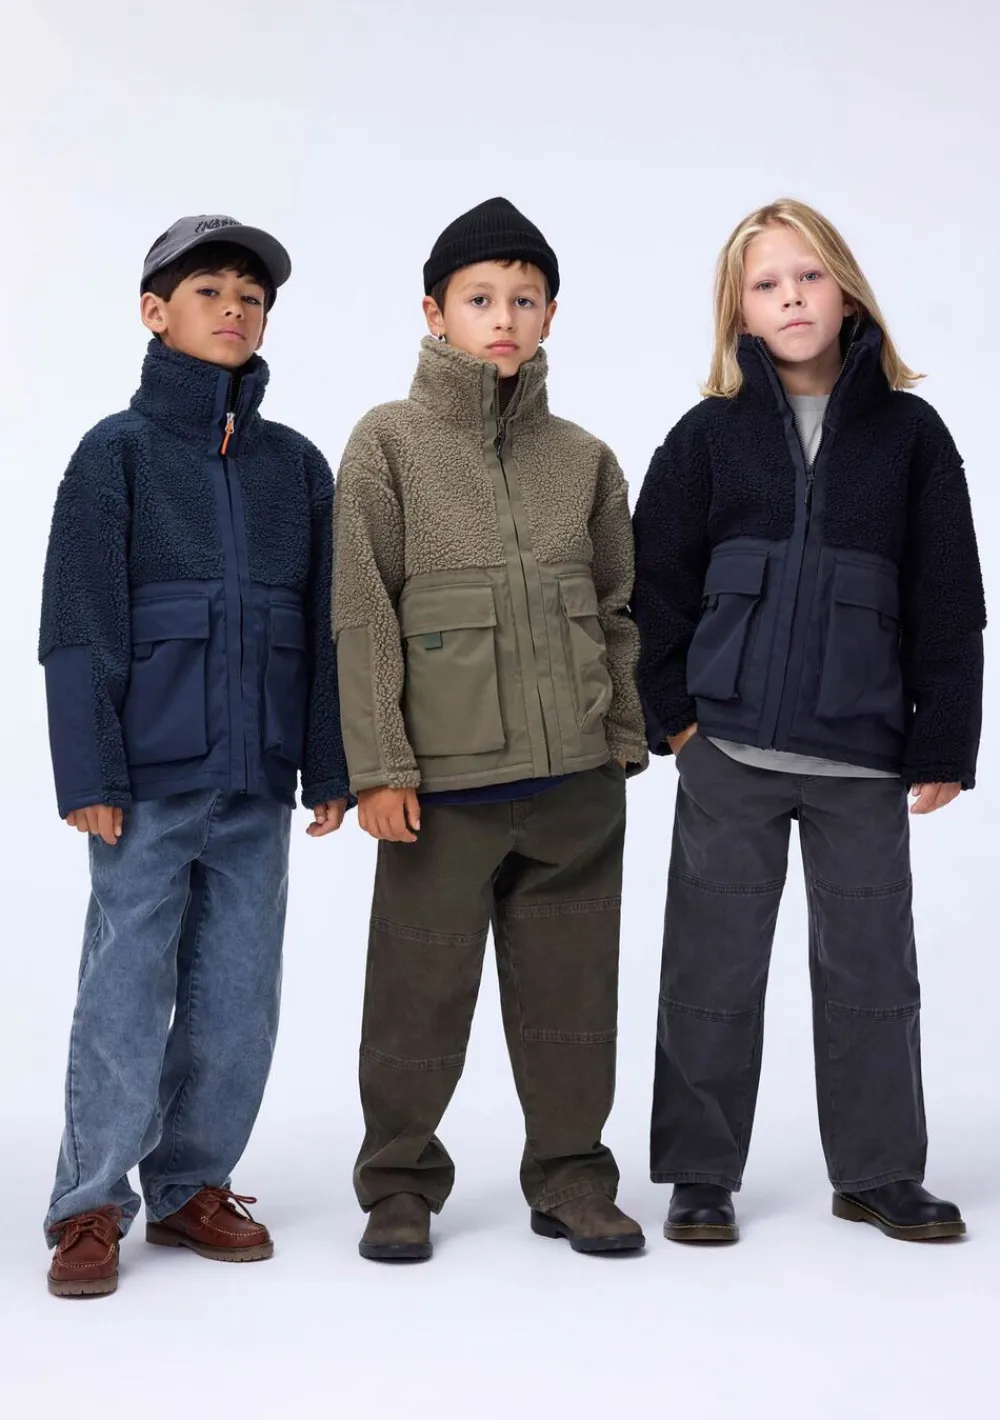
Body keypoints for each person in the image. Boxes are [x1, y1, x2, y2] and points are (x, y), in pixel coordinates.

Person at [632, 198, 985, 1245]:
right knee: (710, 971)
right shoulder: (707, 436)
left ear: (846, 291)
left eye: (809, 276)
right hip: (729, 752)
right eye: (766, 283)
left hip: (863, 759)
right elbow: (652, 586)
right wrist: (675, 724)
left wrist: (943, 739)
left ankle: (879, 1172)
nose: (791, 298)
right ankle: (700, 1174)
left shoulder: (911, 436)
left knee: (872, 974)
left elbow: (948, 596)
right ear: (737, 309)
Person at [333, 197, 648, 1261]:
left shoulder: (585, 458)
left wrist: (622, 737)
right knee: (416, 996)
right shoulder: (388, 443)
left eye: (524, 298)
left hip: (574, 782)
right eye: (479, 299)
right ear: (435, 313)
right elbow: (362, 611)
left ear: (551, 314)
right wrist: (379, 765)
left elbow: (615, 606)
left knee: (573, 993)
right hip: (441, 788)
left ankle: (572, 1176)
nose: (503, 318)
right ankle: (398, 1184)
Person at [39, 215, 348, 1297]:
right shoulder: (115, 454)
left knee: (238, 998)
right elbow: (76, 621)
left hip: (257, 781)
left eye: (251, 297)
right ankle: (89, 1203)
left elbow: (326, 628)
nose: (233, 309)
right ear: (154, 312)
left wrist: (328, 766)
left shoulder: (296, 468)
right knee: (125, 991)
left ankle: (191, 1186)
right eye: (209, 290)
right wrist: (90, 772)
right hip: (145, 784)